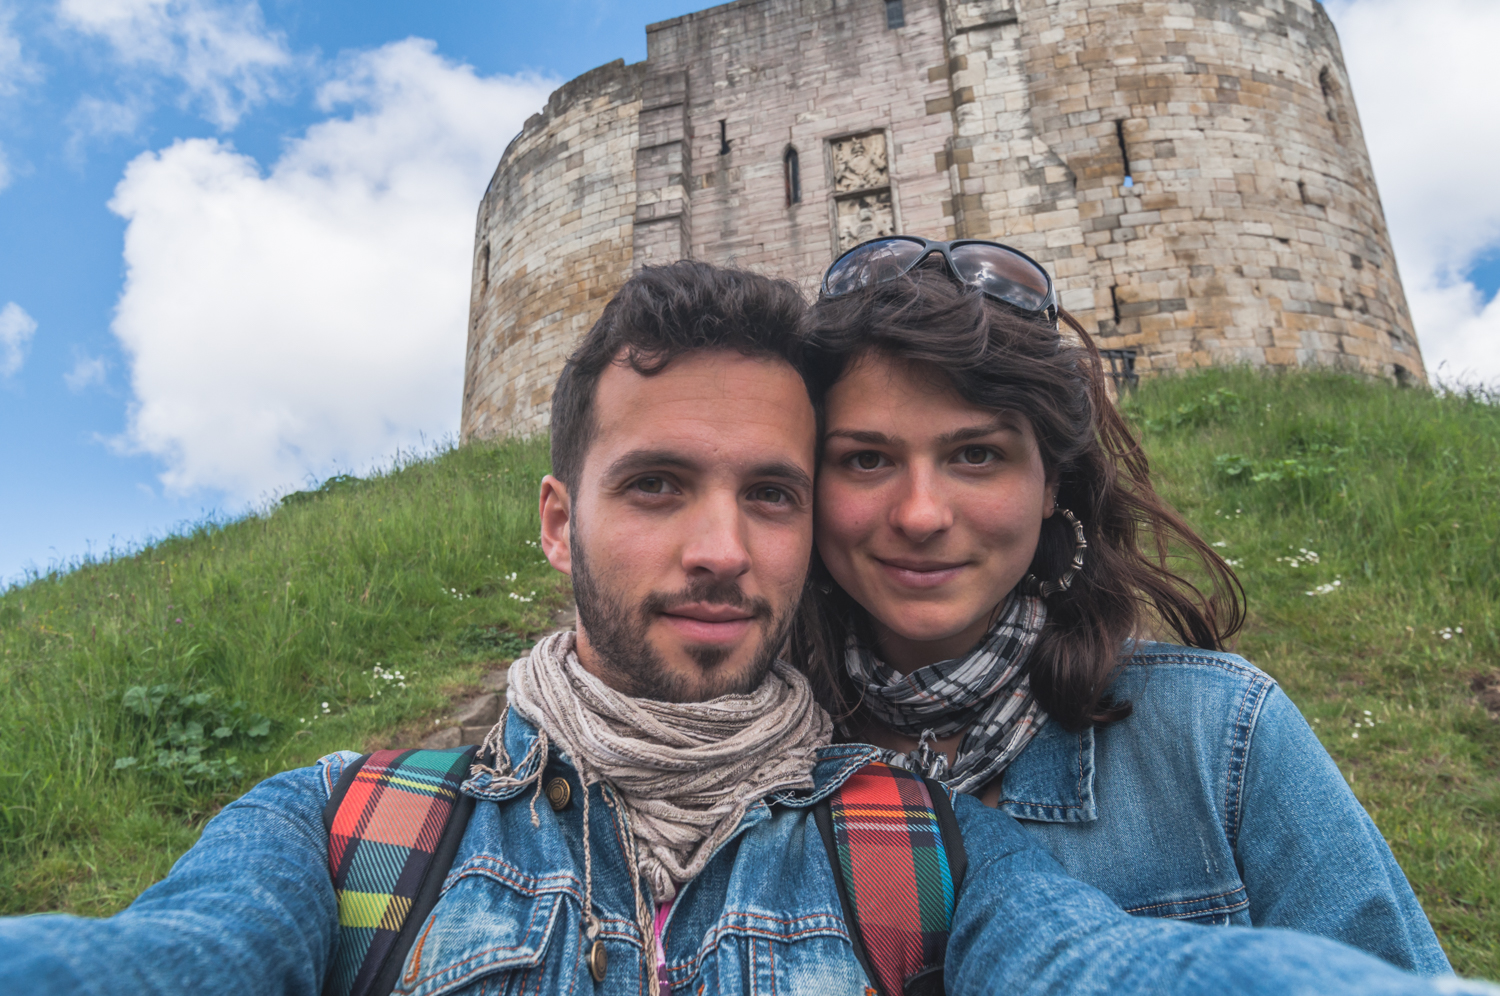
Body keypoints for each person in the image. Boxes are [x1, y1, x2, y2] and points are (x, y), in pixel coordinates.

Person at [0, 261, 1487, 996]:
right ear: (554, 519)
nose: (720, 549)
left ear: (1051, 491)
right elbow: (170, 959)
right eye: (656, 484)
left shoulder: (916, 830)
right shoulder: (345, 822)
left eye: (763, 492)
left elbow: (1101, 969)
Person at [792, 235, 1451, 973]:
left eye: (976, 455)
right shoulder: (740, 757)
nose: (920, 514)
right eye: (866, 458)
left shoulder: (1219, 737)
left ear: (1050, 485)